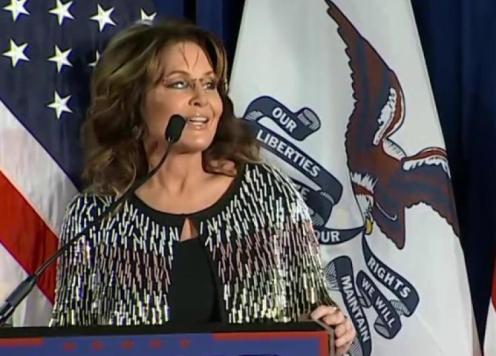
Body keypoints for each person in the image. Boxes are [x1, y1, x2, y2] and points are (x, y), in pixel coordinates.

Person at [49, 21, 356, 355]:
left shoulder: (268, 194)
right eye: (180, 84)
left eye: (209, 84)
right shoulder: (94, 216)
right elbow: (68, 343)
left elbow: (314, 319)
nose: (202, 99)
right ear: (134, 101)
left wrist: (333, 333)